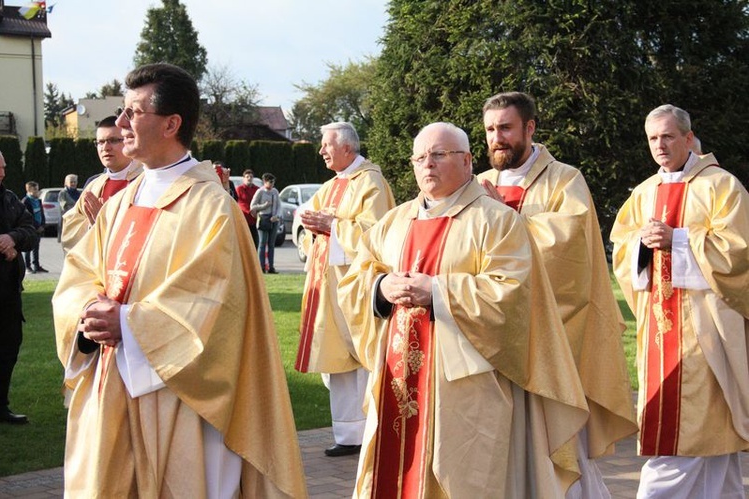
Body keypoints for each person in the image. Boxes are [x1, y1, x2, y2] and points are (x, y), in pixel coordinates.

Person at [52, 63, 307, 498]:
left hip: (184, 398)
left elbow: (215, 306)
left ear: (171, 124)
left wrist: (129, 324)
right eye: (121, 112)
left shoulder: (212, 208)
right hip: (112, 382)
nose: (120, 125)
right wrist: (87, 313)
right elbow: (79, 276)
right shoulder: (118, 204)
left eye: (133, 112)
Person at [338, 122, 589, 497]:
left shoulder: (497, 221)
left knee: (463, 480)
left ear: (468, 160)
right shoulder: (394, 222)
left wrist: (437, 291)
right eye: (420, 157)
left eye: (439, 155)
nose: (428, 165)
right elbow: (356, 278)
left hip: (462, 386)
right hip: (397, 376)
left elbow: (512, 294)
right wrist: (380, 287)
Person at [477, 92, 638, 498]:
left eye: (506, 128)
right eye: (491, 130)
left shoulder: (565, 180)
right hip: (499, 336)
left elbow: (568, 251)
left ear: (530, 128)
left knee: (560, 448)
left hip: (553, 338)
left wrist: (506, 219)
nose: (498, 138)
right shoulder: (479, 184)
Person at [610, 104, 749, 498]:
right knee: (711, 449)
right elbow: (621, 249)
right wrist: (642, 243)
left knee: (689, 435)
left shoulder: (722, 186)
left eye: (668, 136)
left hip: (707, 331)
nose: (660, 145)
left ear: (688, 138)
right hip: (658, 330)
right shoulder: (644, 193)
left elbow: (739, 252)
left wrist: (679, 240)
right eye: (653, 138)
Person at [295, 121, 395, 457]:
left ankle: (372, 430)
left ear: (346, 147)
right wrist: (312, 226)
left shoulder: (371, 183)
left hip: (357, 286)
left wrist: (332, 226)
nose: (321, 151)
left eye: (326, 145)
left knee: (363, 356)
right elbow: (309, 224)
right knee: (335, 361)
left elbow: (376, 233)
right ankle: (347, 434)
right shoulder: (332, 185)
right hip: (328, 285)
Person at [60, 116, 143, 252]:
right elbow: (70, 230)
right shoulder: (94, 185)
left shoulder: (146, 180)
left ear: (130, 140)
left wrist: (105, 222)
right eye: (100, 142)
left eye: (113, 141)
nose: (105, 147)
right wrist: (92, 226)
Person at [0, 150, 39, 424]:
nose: (2, 173)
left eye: (3, 167)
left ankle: (0, 407)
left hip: (7, 293)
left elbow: (31, 231)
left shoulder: (10, 199)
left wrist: (13, 239)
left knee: (7, 349)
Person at [251, 172, 281, 273]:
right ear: (265, 182)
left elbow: (279, 206)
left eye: (273, 182)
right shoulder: (260, 192)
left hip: (273, 220)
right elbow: (253, 206)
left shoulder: (275, 192)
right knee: (262, 243)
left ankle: (271, 267)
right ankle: (261, 267)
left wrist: (276, 215)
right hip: (263, 219)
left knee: (271, 244)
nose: (272, 184)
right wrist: (264, 206)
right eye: (270, 182)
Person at [21, 181, 48, 273]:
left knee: (36, 247)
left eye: (37, 189)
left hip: (39, 228)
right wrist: (36, 226)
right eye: (35, 189)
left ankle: (36, 265)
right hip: (30, 228)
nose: (37, 191)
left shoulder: (38, 200)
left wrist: (43, 224)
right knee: (28, 247)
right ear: (29, 190)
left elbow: (41, 214)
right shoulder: (25, 201)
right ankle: (27, 266)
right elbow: (28, 216)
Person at [236, 168, 259, 247]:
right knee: (244, 243)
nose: (249, 178)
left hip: (255, 220)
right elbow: (240, 203)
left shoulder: (257, 189)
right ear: (244, 178)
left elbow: (259, 202)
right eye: (247, 176)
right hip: (244, 219)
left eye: (251, 177)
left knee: (255, 241)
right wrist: (250, 211)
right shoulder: (239, 189)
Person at [57, 173, 80, 242]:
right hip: (67, 219)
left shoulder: (79, 193)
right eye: (71, 182)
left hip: (76, 218)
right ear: (66, 183)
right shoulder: (63, 193)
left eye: (74, 182)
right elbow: (63, 205)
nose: (73, 184)